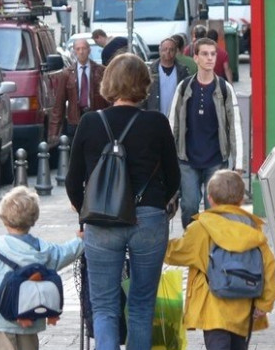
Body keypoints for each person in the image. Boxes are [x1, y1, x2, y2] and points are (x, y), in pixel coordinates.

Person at [65, 53, 181, 349]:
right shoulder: (156, 123)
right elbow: (174, 177)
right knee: (142, 306)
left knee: (104, 306)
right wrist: (157, 207)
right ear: (144, 85)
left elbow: (72, 179)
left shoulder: (91, 122)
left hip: (102, 220)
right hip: (149, 218)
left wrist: (84, 214)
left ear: (108, 83)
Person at [164, 169, 275, 350]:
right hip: (244, 308)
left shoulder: (201, 228)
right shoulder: (253, 229)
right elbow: (268, 267)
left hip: (213, 310)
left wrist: (156, 244)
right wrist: (264, 303)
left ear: (210, 199)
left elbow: (177, 252)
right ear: (241, 200)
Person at [0, 186, 84, 350]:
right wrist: (80, 241)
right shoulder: (42, 250)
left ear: (3, 218)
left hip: (0, 320)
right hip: (29, 316)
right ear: (34, 218)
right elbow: (64, 253)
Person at [168, 37, 244, 229]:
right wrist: (168, 158)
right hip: (187, 159)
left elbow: (235, 125)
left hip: (216, 159)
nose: (210, 58)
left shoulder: (224, 89)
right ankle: (192, 240)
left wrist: (239, 163)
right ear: (195, 58)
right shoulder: (184, 87)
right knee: (189, 205)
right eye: (205, 54)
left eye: (213, 54)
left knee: (215, 208)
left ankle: (212, 247)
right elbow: (172, 124)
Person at [50, 38, 110, 142]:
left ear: (89, 50)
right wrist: (54, 132)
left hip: (96, 119)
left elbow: (109, 99)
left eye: (84, 48)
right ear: (74, 51)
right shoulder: (67, 74)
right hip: (75, 121)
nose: (81, 52)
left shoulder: (101, 71)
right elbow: (59, 104)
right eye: (78, 49)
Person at [142, 37, 189, 116]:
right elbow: (143, 95)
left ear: (176, 51)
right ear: (160, 51)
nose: (168, 52)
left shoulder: (182, 72)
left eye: (171, 49)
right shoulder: (150, 71)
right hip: (154, 117)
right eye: (165, 49)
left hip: (175, 117)